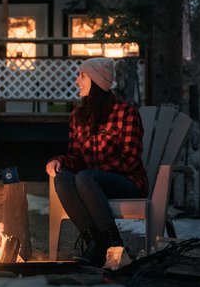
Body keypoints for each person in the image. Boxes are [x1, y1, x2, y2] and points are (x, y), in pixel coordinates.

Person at [45, 57, 148, 267]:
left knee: (85, 176)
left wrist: (93, 173)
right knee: (63, 178)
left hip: (126, 183)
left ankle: (114, 244)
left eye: (82, 75)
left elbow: (130, 159)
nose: (77, 81)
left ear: (96, 80)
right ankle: (95, 242)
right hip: (90, 184)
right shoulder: (78, 115)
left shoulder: (125, 112)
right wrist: (58, 161)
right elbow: (75, 157)